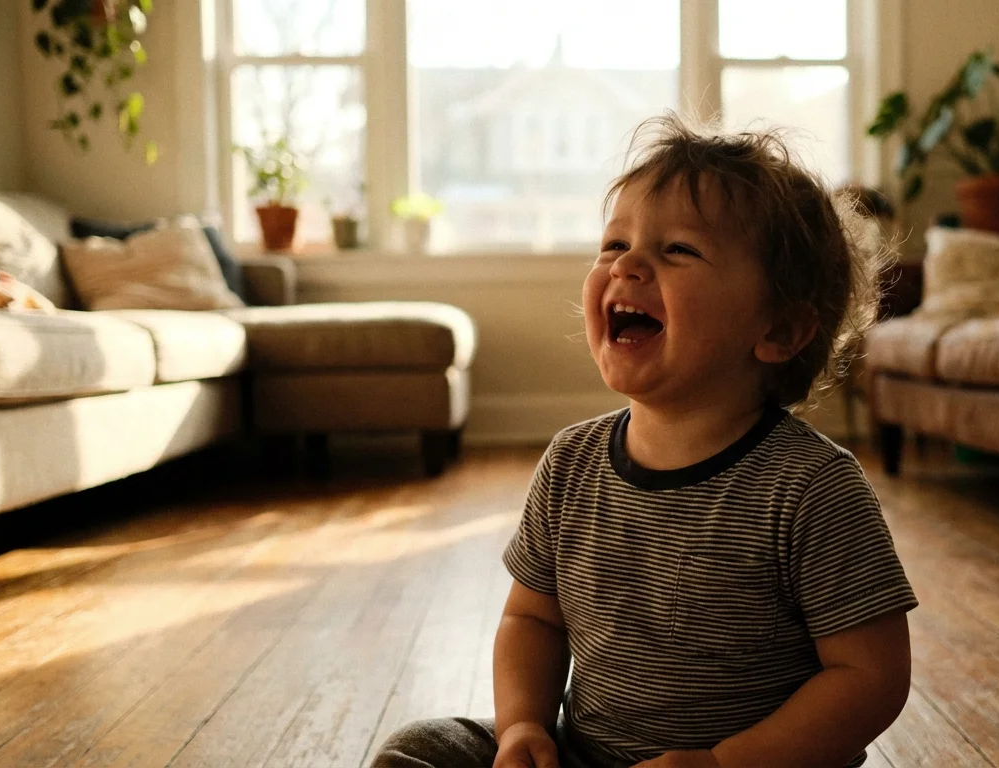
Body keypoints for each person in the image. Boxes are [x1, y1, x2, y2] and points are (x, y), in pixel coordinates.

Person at [374, 114, 917, 768]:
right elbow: (532, 621)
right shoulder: (571, 465)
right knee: (420, 751)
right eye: (613, 245)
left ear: (779, 330)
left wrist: (725, 763)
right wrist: (522, 728)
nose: (627, 265)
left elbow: (871, 679)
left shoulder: (811, 488)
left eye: (678, 250)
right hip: (587, 755)